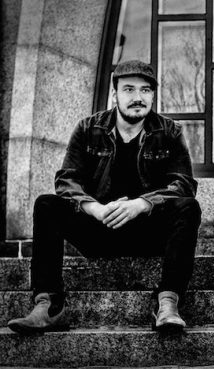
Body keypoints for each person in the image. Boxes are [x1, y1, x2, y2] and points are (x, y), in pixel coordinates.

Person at [8, 60, 201, 334]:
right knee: (46, 204)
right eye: (129, 89)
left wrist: (141, 204)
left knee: (189, 207)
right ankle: (49, 305)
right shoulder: (88, 129)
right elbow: (66, 181)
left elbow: (183, 184)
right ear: (114, 95)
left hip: (147, 233)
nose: (138, 97)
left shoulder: (170, 132)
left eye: (145, 90)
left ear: (153, 95)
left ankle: (168, 302)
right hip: (99, 229)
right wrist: (95, 209)